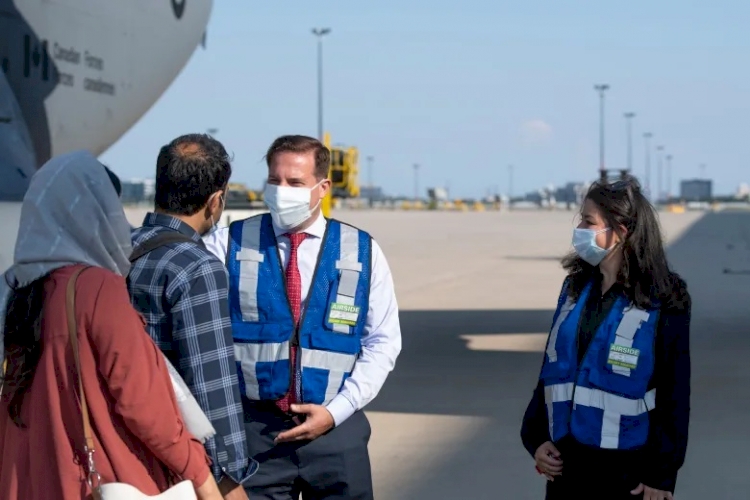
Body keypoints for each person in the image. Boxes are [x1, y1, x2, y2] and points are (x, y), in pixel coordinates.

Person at [0, 150, 223, 499]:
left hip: (29, 476)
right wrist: (202, 477)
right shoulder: (96, 288)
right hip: (98, 478)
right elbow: (144, 405)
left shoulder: (17, 289)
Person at [202, 134, 402, 499]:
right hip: (255, 434)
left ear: (323, 187)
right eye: (275, 181)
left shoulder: (361, 250)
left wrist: (337, 411)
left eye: (295, 183)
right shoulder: (227, 243)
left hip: (335, 431)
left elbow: (383, 342)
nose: (282, 191)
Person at [521, 177, 691, 500]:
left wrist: (662, 473)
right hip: (566, 471)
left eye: (589, 221)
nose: (580, 229)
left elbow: (675, 393)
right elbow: (552, 371)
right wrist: (537, 438)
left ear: (621, 232)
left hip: (627, 476)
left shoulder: (666, 298)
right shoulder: (574, 289)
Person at [128, 134, 257, 499]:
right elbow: (211, 385)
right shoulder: (197, 268)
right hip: (177, 467)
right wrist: (230, 480)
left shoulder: (117, 248)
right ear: (216, 201)